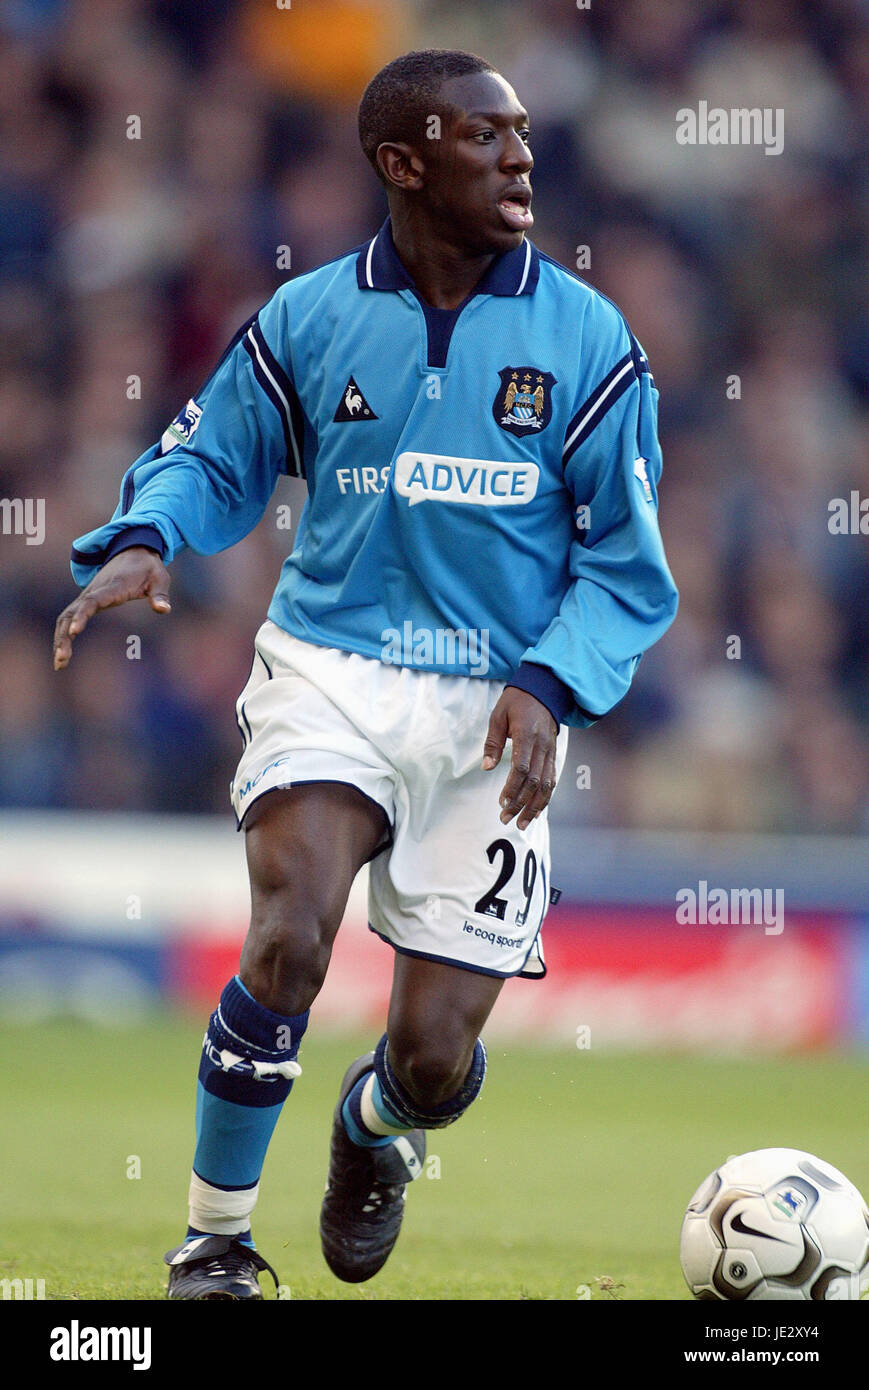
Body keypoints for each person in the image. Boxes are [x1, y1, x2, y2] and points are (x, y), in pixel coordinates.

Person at [53, 49, 678, 1298]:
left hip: (492, 713)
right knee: (288, 933)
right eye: (484, 136)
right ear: (403, 163)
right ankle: (213, 1247)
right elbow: (211, 449)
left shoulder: (586, 340)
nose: (519, 157)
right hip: (330, 666)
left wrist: (550, 685)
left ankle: (372, 1128)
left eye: (522, 135)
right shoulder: (312, 316)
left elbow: (624, 563)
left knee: (435, 1061)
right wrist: (141, 536)